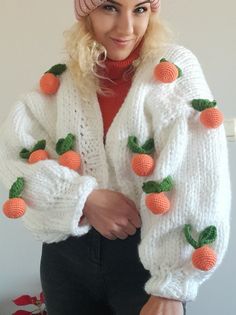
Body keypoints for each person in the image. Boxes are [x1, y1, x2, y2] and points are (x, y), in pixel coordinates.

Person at [0, 0, 231, 314]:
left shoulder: (172, 71)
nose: (126, 27)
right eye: (110, 7)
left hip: (145, 259)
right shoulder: (64, 80)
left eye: (139, 9)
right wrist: (84, 198)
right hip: (66, 256)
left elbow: (201, 174)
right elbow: (13, 154)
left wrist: (172, 287)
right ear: (86, 13)